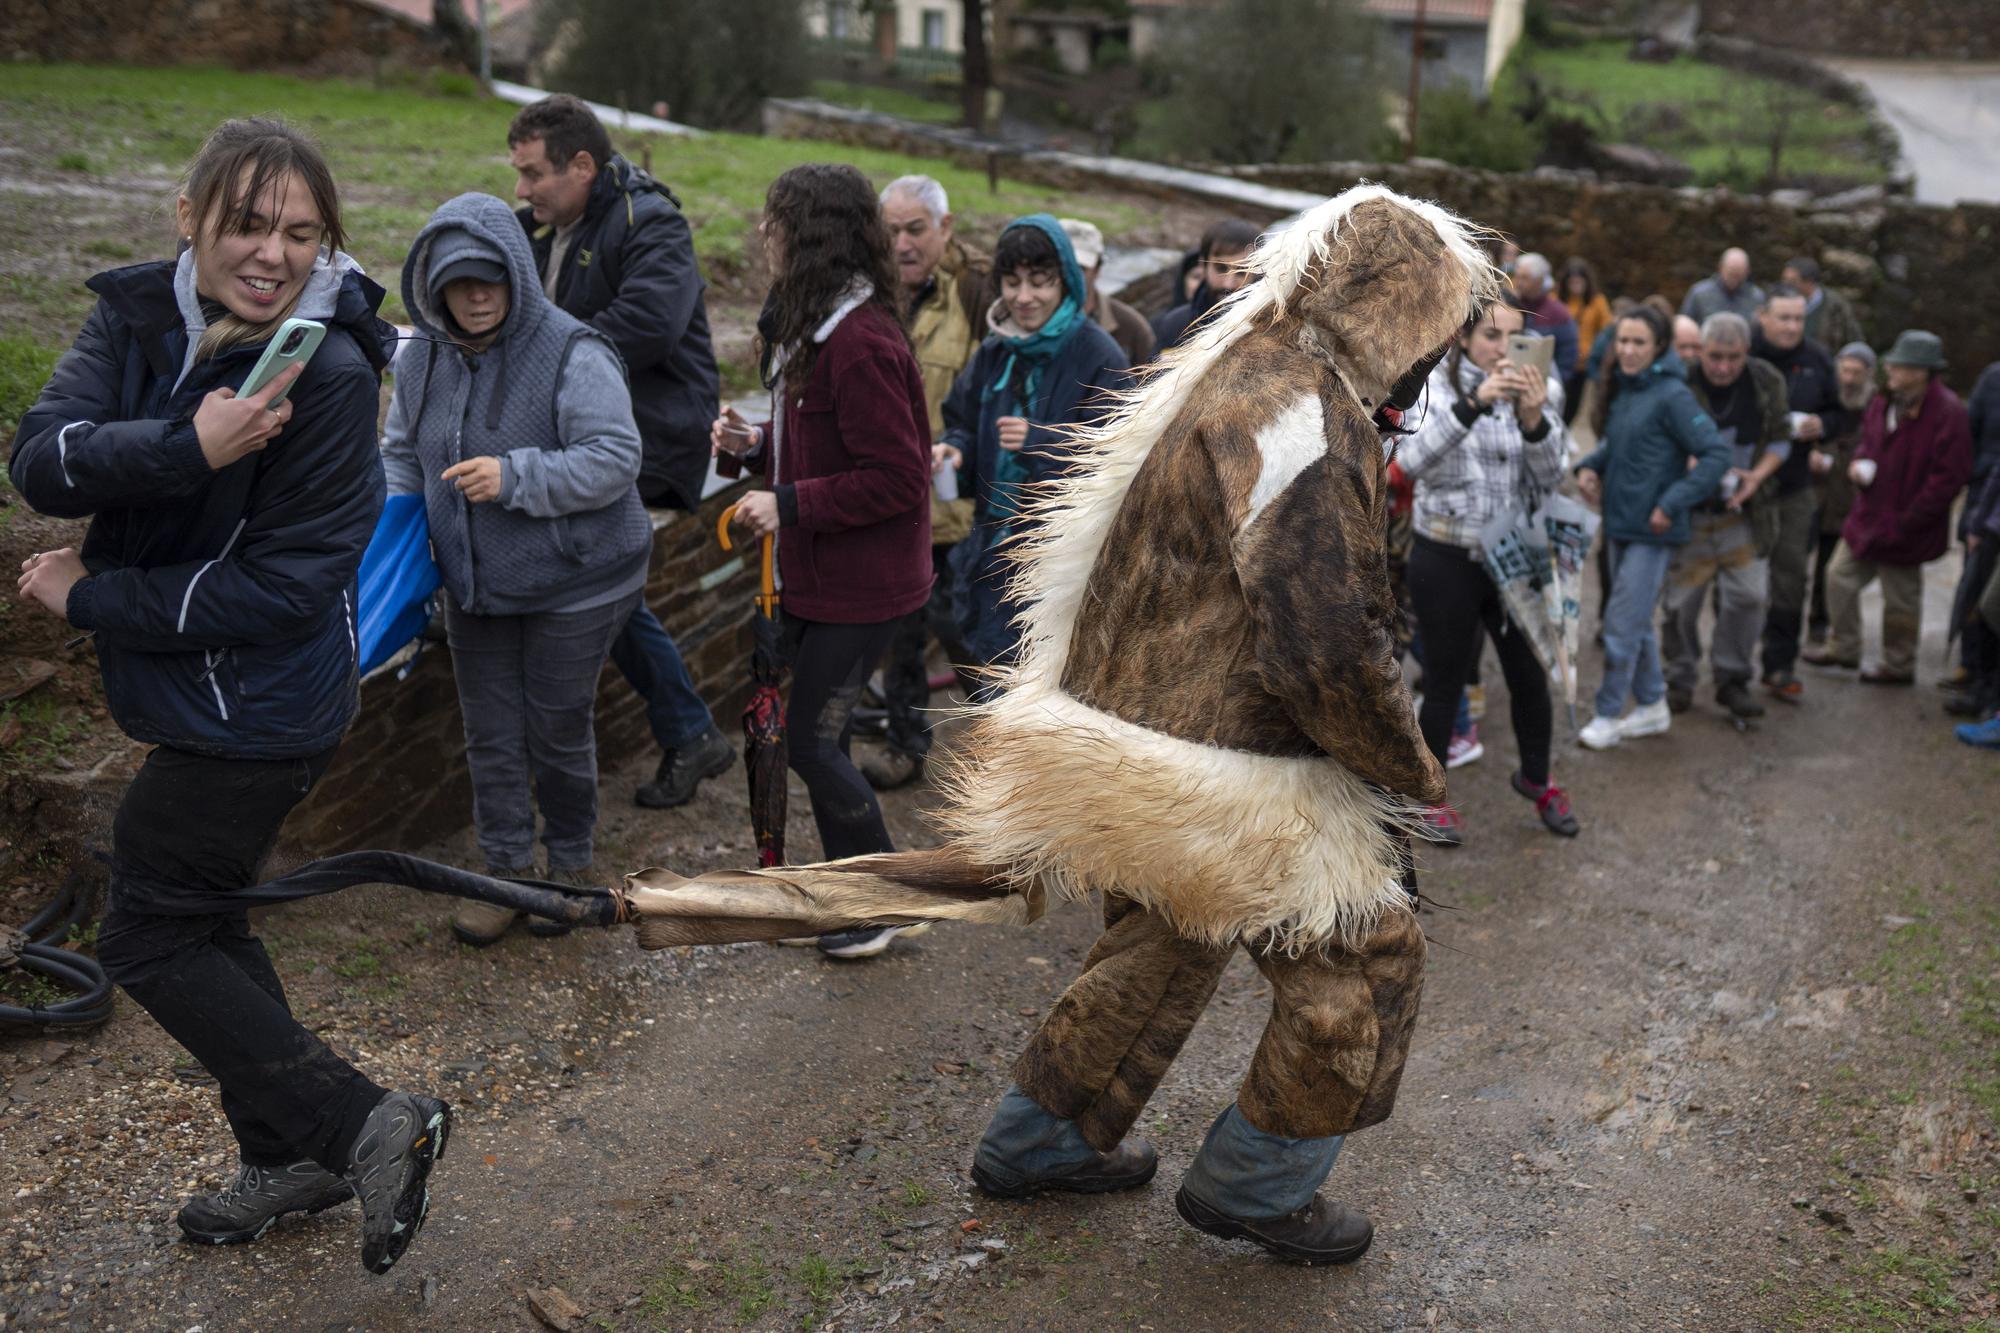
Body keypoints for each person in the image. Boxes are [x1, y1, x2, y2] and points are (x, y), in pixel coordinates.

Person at [632, 184, 1502, 1265]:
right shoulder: (1301, 421)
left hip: (1128, 736)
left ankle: (1039, 1136)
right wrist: (1402, 769)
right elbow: (1322, 644)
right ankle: (1259, 1184)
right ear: (1400, 315)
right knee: (1366, 965)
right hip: (1217, 760)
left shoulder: (1240, 370)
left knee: (1165, 940)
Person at [10, 119, 447, 1274]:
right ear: (190, 219)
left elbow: (282, 588)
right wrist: (184, 450)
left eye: (302, 232)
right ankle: (291, 1152)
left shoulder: (335, 375)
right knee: (200, 915)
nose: (273, 253)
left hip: (260, 709)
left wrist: (92, 599)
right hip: (195, 697)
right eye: (248, 223)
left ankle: (360, 1124)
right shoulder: (140, 316)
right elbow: (42, 456)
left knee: (146, 934)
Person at [381, 192, 650, 945]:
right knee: (490, 729)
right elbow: (402, 450)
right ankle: (504, 873)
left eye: (489, 279)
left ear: (516, 275)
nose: (475, 295)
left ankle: (565, 873)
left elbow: (616, 458)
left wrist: (514, 477)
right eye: (458, 281)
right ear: (431, 284)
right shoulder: (421, 357)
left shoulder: (573, 350)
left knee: (557, 726)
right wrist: (399, 527)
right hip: (475, 577)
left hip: (580, 577)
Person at [709, 163, 935, 959]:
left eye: (775, 223)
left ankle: (879, 902)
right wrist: (755, 451)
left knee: (811, 742)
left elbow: (898, 477)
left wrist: (791, 502)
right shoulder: (818, 329)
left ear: (806, 237)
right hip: (822, 578)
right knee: (818, 739)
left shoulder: (862, 341)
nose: (763, 237)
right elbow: (821, 445)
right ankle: (877, 890)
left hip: (865, 587)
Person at [506, 95, 733, 810]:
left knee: (588, 576)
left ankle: (684, 729)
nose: (521, 190)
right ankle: (689, 729)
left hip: (653, 437)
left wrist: (536, 363)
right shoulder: (539, 228)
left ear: (581, 165)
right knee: (598, 582)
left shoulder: (649, 222)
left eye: (533, 173)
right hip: (582, 436)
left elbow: (646, 328)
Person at [1397, 301, 1578, 846]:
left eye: (1515, 338)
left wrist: (1533, 420)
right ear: (1465, 336)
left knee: (1528, 674)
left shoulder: (1544, 388)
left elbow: (1552, 476)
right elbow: (1407, 465)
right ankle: (1430, 799)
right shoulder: (1434, 386)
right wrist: (1475, 405)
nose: (1503, 350)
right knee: (1445, 677)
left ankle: (1538, 780)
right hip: (1446, 552)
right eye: (1492, 336)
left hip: (1514, 552)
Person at [941, 215, 1130, 669]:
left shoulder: (1100, 354)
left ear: (1065, 282)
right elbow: (963, 420)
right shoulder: (995, 350)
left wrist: (1039, 443)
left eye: (1040, 282)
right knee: (990, 674)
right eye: (1012, 282)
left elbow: (1117, 462)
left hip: (1065, 567)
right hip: (994, 549)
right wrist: (956, 451)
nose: (1024, 298)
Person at [861, 174, 990, 791]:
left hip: (959, 505)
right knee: (902, 633)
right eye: (891, 232)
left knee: (962, 629)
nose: (903, 244)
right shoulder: (870, 296)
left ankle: (1011, 747)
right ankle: (904, 744)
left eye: (916, 229)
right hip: (893, 502)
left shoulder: (976, 294)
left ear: (945, 228)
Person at [1573, 307, 1730, 749]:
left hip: (1653, 531)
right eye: (1623, 341)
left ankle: (1607, 714)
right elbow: (1616, 445)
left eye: (1638, 342)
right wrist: (1590, 466)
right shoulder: (1627, 390)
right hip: (1620, 523)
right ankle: (1652, 705)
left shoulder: (1673, 395)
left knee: (1621, 624)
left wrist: (1671, 502)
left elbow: (1715, 454)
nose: (1627, 350)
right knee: (1636, 623)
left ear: (1658, 346)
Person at [1811, 331, 1973, 683]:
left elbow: (1949, 478)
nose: (1891, 371)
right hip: (1868, 515)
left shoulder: (1948, 412)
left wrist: (1910, 519)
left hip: (1908, 525)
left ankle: (1898, 666)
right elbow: (1868, 442)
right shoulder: (1883, 400)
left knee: (1900, 599)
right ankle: (1845, 648)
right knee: (1838, 576)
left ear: (1922, 371)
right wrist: (1860, 462)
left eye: (1899, 366)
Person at [1659, 313, 1791, 720]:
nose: (1723, 366)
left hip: (1743, 513)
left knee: (1749, 596)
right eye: (1715, 356)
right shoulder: (1680, 381)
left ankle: (1732, 678)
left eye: (1733, 357)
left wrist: (1756, 477)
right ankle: (1679, 678)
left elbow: (1782, 439)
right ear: (1701, 350)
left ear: (1746, 353)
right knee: (1680, 604)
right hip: (1692, 514)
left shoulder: (1766, 381)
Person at [1750, 283, 1855, 701]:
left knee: (1790, 577)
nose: (1793, 326)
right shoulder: (1745, 353)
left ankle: (1779, 665)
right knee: (1738, 579)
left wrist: (1822, 427)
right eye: (1784, 318)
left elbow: (1838, 413)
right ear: (1764, 317)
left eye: (1798, 318)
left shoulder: (1816, 359)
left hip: (1795, 488)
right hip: (1745, 487)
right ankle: (1733, 665)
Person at [1806, 343, 1878, 654]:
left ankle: (1825, 622)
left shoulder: (1875, 405)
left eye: (1856, 373)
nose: (1848, 379)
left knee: (1831, 562)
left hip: (1849, 496)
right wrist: (1813, 454)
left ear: (1868, 375)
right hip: (1815, 490)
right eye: (1844, 371)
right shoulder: (1824, 396)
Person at [1943, 359, 2000, 693]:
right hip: (1985, 500)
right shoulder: (1992, 378)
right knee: (1973, 589)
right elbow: (1968, 438)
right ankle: (1970, 667)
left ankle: (1988, 690)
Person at [1150, 218, 1260, 351]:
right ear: (1203, 265)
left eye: (1241, 272)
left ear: (1256, 272)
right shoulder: (1175, 324)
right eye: (1220, 268)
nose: (1228, 284)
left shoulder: (1272, 331)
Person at [1061, 216, 1156, 367]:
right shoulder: (1027, 322)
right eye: (1064, 267)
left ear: (1097, 270)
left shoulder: (1133, 328)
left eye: (1080, 268)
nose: (1071, 276)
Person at [1507, 253, 1579, 384]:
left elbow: (1567, 357)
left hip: (1543, 383)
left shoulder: (1558, 313)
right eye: (1516, 276)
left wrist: (1553, 385)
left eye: (1524, 278)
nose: (1517, 283)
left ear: (1539, 280)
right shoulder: (1510, 306)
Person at [1560, 256, 1613, 411]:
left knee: (1573, 405)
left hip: (1583, 364)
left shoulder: (1597, 301)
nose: (1576, 286)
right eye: (1572, 282)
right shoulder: (1557, 300)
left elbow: (1607, 330)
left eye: (1579, 282)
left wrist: (1594, 351)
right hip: (1562, 360)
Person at [1782, 256, 1863, 354]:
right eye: (1784, 280)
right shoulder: (1780, 302)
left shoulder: (1835, 305)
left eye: (1792, 281)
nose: (1785, 285)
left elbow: (1853, 339)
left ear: (1809, 282)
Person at [1681, 247, 1765, 325]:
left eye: (1738, 276)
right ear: (1720, 268)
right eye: (1731, 274)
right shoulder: (1699, 294)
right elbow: (1685, 323)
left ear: (1747, 272)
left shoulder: (1756, 298)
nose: (1734, 280)